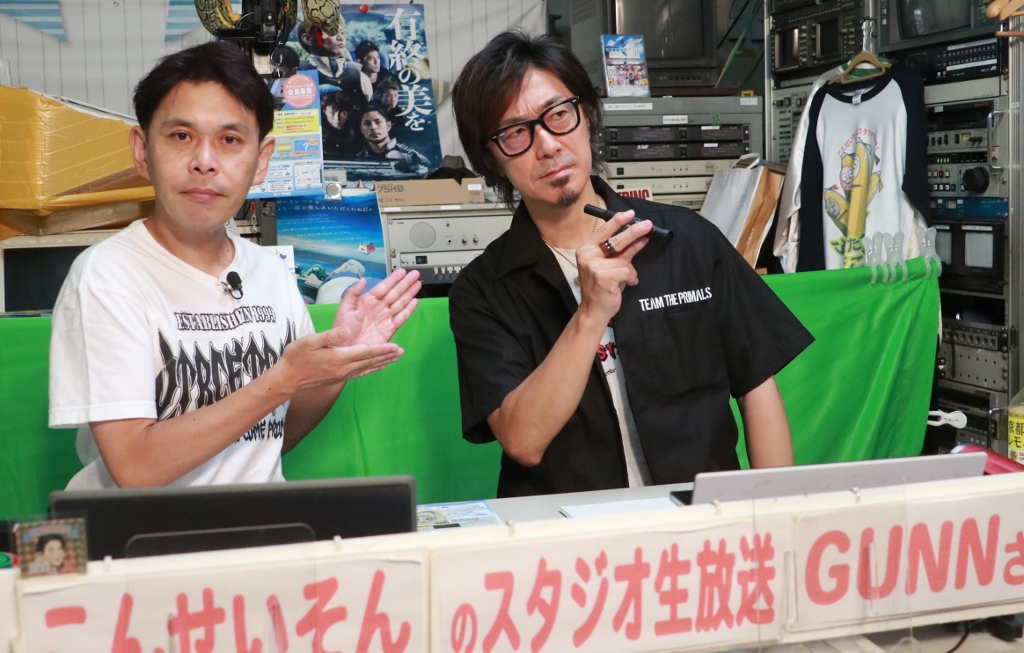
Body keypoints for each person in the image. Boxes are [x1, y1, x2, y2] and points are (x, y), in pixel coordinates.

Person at [449, 31, 814, 498]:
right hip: (568, 534)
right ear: (492, 159)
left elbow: (756, 385)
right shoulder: (482, 290)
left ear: (586, 116)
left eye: (558, 114)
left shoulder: (686, 239)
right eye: (515, 132)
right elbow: (524, 440)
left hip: (698, 520)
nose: (548, 145)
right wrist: (590, 314)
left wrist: (773, 515)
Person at [48, 42, 421, 490]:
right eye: (181, 136)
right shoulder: (106, 276)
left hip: (263, 523)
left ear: (261, 161)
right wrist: (280, 381)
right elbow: (136, 467)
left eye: (229, 140)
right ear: (142, 152)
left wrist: (333, 368)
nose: (204, 162)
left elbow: (271, 439)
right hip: (148, 532)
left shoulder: (269, 271)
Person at [294, 16, 372, 101]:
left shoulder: (359, 76)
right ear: (308, 39)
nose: (340, 38)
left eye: (342, 33)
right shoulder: (296, 74)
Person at [355, 102, 430, 174]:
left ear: (388, 126)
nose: (373, 127)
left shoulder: (409, 156)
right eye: (367, 123)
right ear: (362, 129)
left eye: (378, 122)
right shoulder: (358, 160)